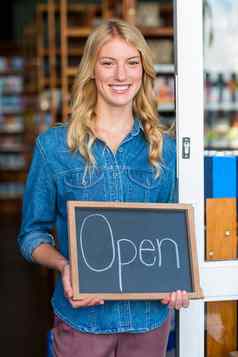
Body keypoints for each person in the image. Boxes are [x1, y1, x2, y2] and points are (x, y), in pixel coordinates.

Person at [18, 19, 189, 357]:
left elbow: (170, 235)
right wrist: (65, 266)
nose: (121, 76)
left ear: (144, 71)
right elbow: (31, 235)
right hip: (83, 321)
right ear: (91, 71)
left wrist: (178, 278)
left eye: (131, 63)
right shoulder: (54, 147)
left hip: (149, 324)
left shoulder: (164, 149)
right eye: (108, 63)